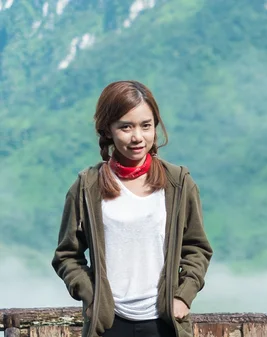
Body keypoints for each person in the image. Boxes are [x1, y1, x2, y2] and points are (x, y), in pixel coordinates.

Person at [51, 80, 213, 337]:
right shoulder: (87, 186)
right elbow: (66, 255)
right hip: (108, 324)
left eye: (146, 126)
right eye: (126, 126)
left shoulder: (178, 183)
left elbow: (197, 248)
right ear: (108, 130)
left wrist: (183, 297)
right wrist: (92, 299)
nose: (138, 136)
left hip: (165, 324)